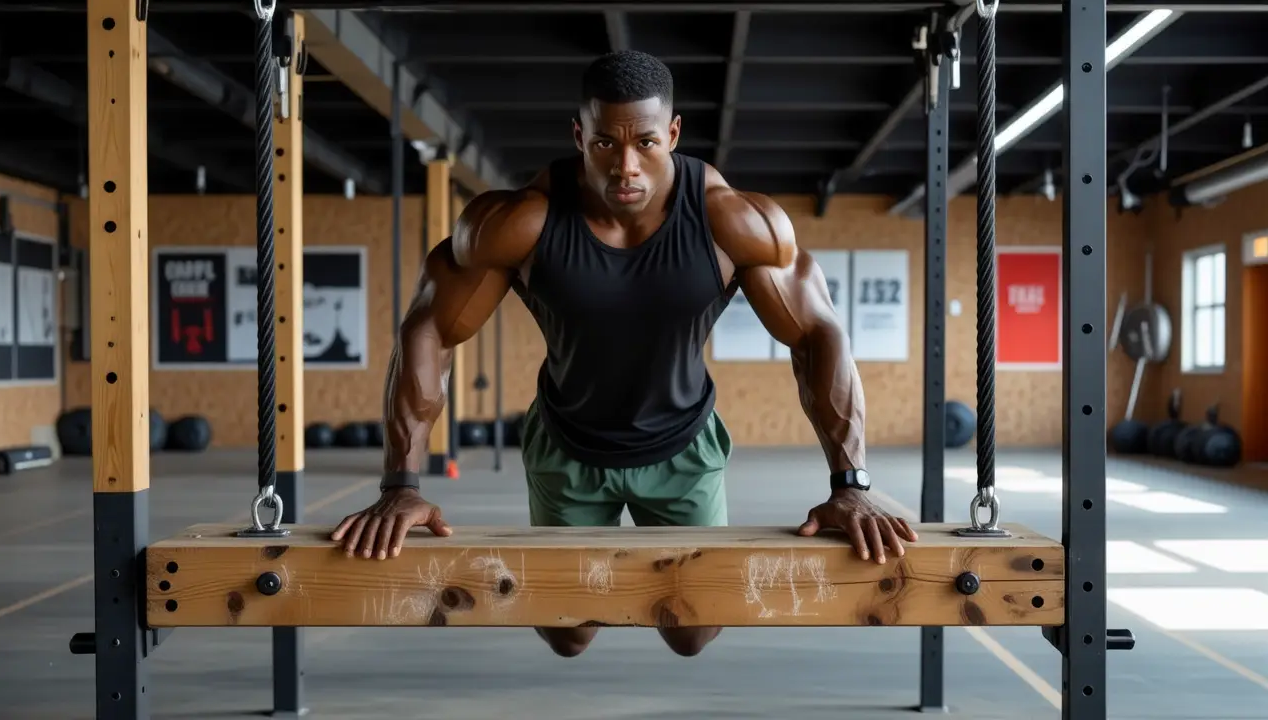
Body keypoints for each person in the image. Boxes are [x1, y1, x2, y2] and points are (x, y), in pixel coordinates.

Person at [331, 50, 917, 658]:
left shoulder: (732, 221)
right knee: (570, 632)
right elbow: (427, 328)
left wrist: (850, 483)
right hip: (567, 446)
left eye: (645, 142)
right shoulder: (520, 221)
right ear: (579, 134)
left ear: (674, 132)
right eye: (606, 144)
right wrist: (401, 483)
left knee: (691, 632)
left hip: (684, 445)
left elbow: (819, 334)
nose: (626, 167)